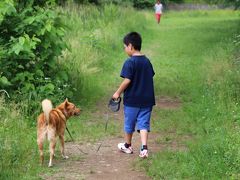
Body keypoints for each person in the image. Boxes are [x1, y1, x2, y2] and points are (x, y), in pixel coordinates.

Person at [112, 32, 155, 158]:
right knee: (144, 123)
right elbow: (150, 75)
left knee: (129, 122)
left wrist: (117, 93)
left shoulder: (129, 62)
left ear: (130, 46)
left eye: (125, 47)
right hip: (147, 99)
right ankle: (144, 148)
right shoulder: (147, 61)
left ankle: (127, 145)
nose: (125, 49)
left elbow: (127, 80)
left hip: (132, 100)